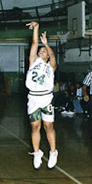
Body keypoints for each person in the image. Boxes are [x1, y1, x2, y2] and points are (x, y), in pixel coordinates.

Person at [25, 21, 58, 169]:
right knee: (35, 127)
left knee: (48, 126)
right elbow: (34, 42)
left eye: (43, 51)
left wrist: (48, 45)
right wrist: (36, 28)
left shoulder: (51, 66)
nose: (41, 51)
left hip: (46, 98)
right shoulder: (33, 61)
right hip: (33, 98)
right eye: (40, 50)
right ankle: (37, 153)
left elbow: (52, 55)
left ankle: (53, 152)